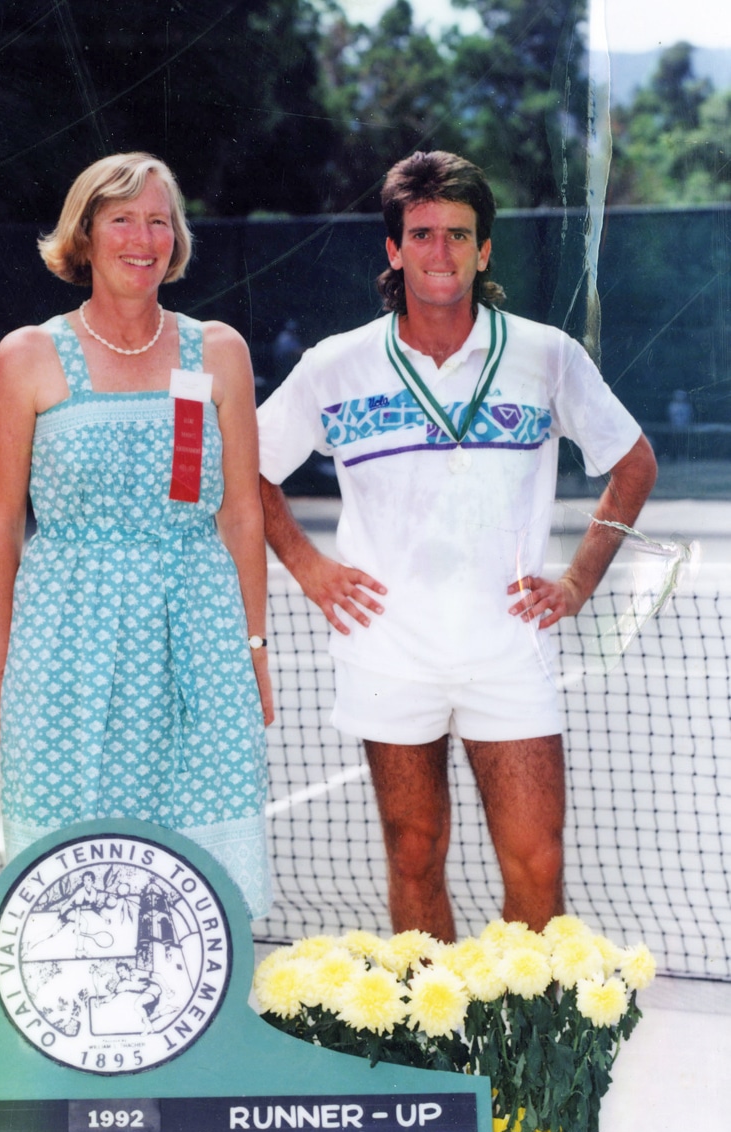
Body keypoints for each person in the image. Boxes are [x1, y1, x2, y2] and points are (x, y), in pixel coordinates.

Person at [258, 150, 657, 944]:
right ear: (393, 249)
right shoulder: (335, 365)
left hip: (509, 649)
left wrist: (576, 582)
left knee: (536, 863)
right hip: (386, 651)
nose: (439, 252)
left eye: (458, 235)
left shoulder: (545, 355)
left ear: (483, 251)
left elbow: (633, 464)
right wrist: (307, 566)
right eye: (421, 234)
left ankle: (522, 1025)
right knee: (413, 856)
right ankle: (433, 1018)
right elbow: (246, 471)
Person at [0, 152, 273, 917]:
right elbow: (1, 525)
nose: (142, 239)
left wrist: (254, 652)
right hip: (66, 643)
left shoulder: (219, 351)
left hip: (199, 639)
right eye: (121, 220)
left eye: (157, 221)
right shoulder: (27, 356)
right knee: (70, 862)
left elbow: (241, 514)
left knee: (198, 874)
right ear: (83, 234)